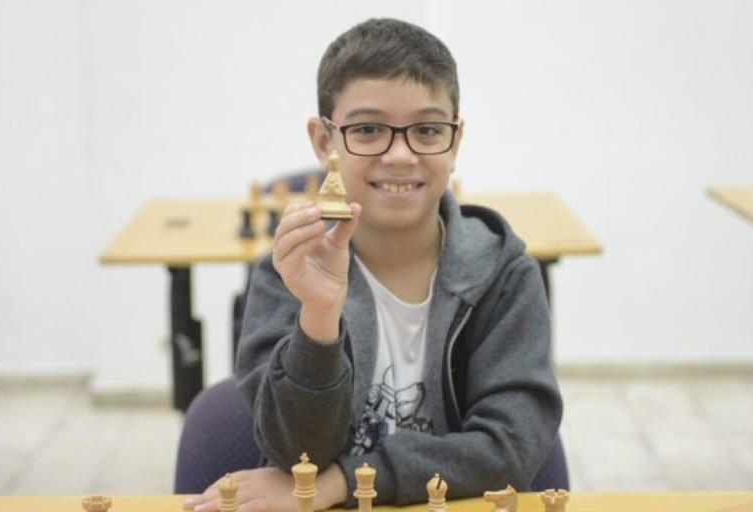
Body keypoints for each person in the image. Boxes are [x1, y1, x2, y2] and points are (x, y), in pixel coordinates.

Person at [185, 17, 562, 512]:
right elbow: (294, 453)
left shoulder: (505, 277)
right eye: (367, 129)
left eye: (427, 130)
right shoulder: (286, 276)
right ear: (325, 141)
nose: (401, 155)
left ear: (455, 141)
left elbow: (509, 448)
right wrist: (319, 319)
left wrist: (341, 482)